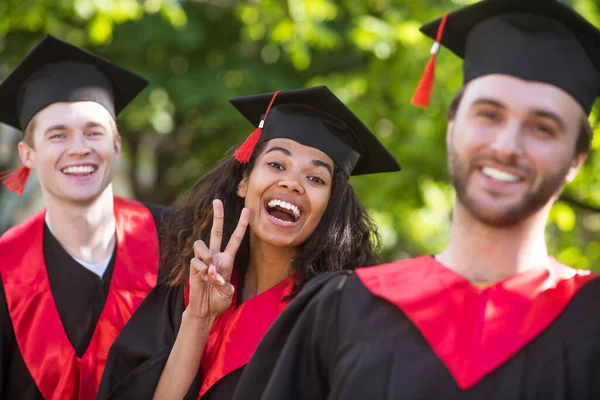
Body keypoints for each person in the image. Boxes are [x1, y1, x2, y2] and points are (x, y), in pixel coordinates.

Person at [230, 0, 600, 399]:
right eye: (489, 115)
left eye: (543, 128)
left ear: (576, 159)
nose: (507, 146)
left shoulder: (590, 320)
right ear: (452, 126)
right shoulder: (340, 311)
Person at [96, 85, 401, 400]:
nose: (291, 183)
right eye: (276, 165)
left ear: (329, 208)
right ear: (244, 182)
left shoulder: (335, 319)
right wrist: (198, 320)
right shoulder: (187, 287)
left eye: (316, 179)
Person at [0, 35, 169, 400]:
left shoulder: (178, 240)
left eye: (94, 132)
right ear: (28, 154)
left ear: (116, 145)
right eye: (57, 135)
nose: (79, 148)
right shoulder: (4, 266)